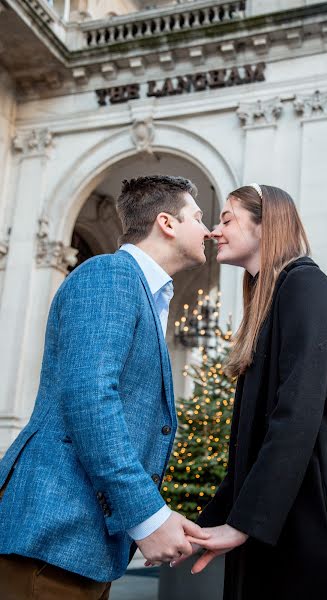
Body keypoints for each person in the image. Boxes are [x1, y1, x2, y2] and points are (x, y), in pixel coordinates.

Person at [0, 175, 210, 599]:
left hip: (81, 546)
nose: (208, 230)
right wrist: (148, 516)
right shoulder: (110, 275)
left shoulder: (142, 292)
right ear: (167, 223)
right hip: (50, 536)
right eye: (198, 217)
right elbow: (90, 399)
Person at [184, 184, 327, 599]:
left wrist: (244, 522)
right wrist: (202, 528)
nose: (213, 231)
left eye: (226, 219)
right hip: (285, 517)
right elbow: (251, 445)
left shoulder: (305, 287)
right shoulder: (274, 299)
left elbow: (296, 414)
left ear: (267, 225)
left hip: (316, 517)